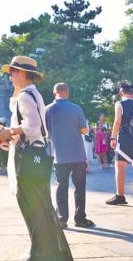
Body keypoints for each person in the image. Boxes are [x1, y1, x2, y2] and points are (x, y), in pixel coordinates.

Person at [0, 56, 73, 261]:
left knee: (31, 205)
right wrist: (10, 137)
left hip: (28, 158)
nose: (10, 76)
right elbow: (30, 124)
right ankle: (46, 251)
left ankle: (40, 252)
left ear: (22, 72)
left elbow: (32, 126)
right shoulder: (32, 93)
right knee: (40, 205)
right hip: (36, 154)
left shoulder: (25, 96)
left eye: (13, 72)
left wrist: (9, 132)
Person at [45, 83, 94, 229]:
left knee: (61, 186)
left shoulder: (47, 109)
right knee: (80, 187)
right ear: (67, 92)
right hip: (77, 154)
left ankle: (61, 219)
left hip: (59, 155)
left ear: (54, 93)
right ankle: (80, 219)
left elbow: (45, 133)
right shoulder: (76, 108)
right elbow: (84, 131)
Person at [106, 82, 133, 206]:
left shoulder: (119, 104)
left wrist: (113, 137)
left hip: (125, 138)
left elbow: (117, 121)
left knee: (120, 167)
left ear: (121, 93)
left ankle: (120, 196)